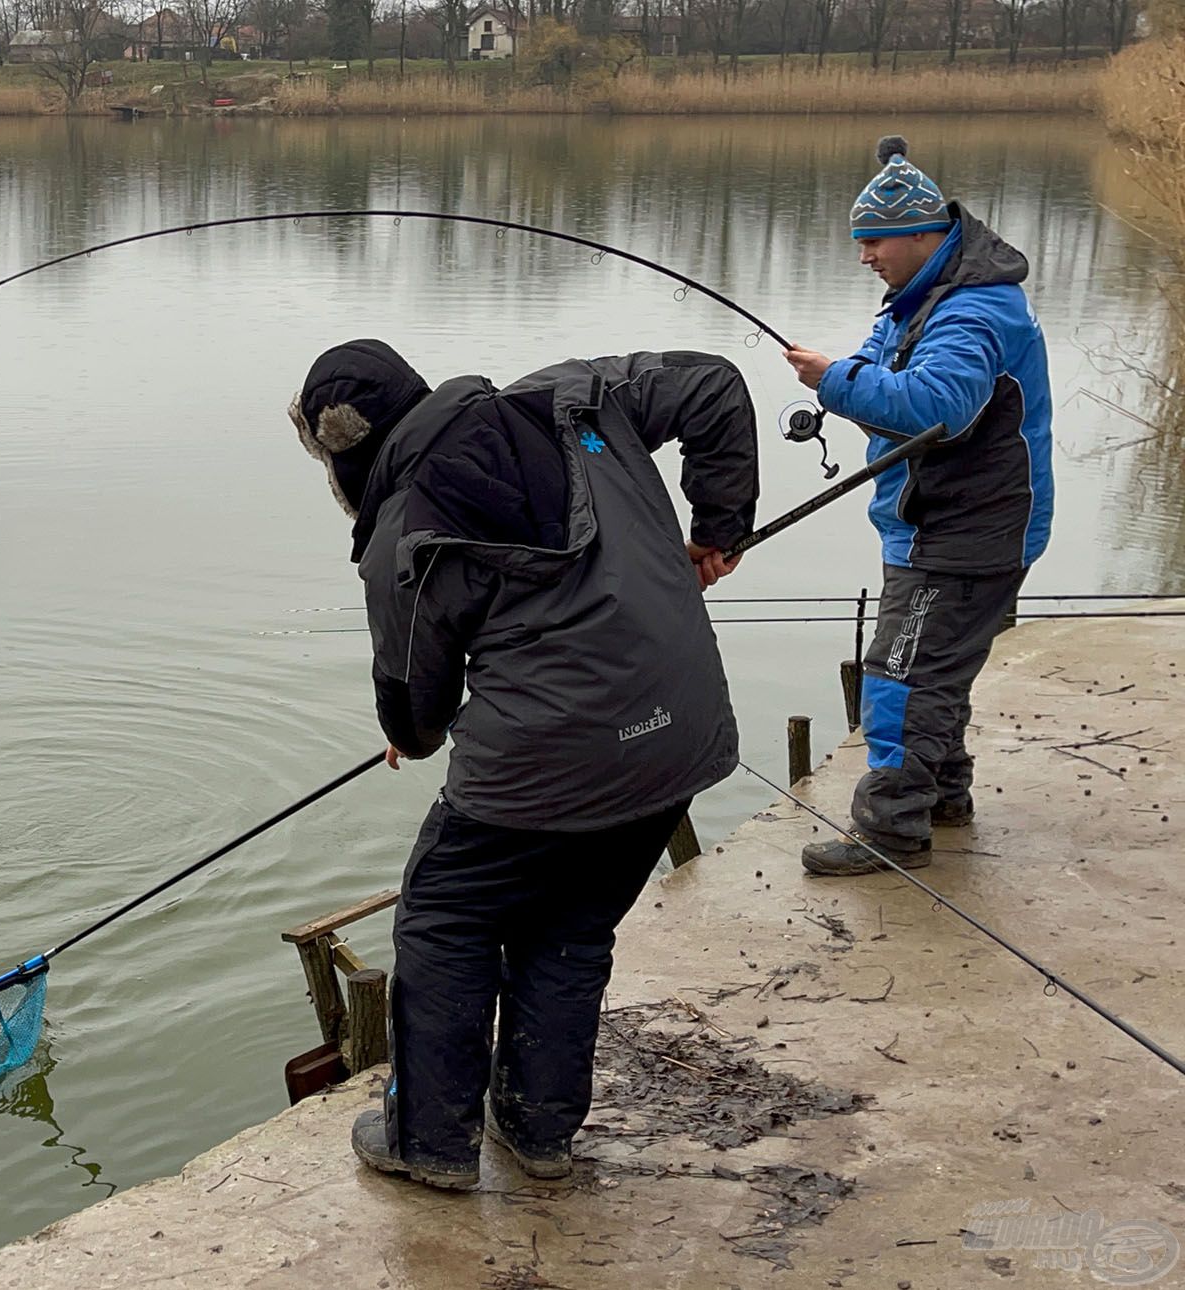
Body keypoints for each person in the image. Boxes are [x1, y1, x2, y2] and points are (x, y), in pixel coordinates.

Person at [288, 340, 759, 1189]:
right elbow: (714, 385)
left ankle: (429, 1142)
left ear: (344, 452)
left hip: (543, 766)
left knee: (442, 919)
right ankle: (538, 1134)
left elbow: (413, 709)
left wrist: (412, 729)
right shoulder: (574, 397)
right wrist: (720, 530)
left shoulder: (402, 526)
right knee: (570, 927)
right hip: (677, 739)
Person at [783, 136, 1053, 877]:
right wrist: (844, 377)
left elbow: (941, 410)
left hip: (964, 532)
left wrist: (833, 382)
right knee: (939, 669)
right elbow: (879, 364)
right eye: (860, 242)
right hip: (948, 524)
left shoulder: (974, 313)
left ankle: (892, 830)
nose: (865, 256)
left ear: (924, 236)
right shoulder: (920, 302)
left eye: (874, 242)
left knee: (899, 677)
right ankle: (943, 798)